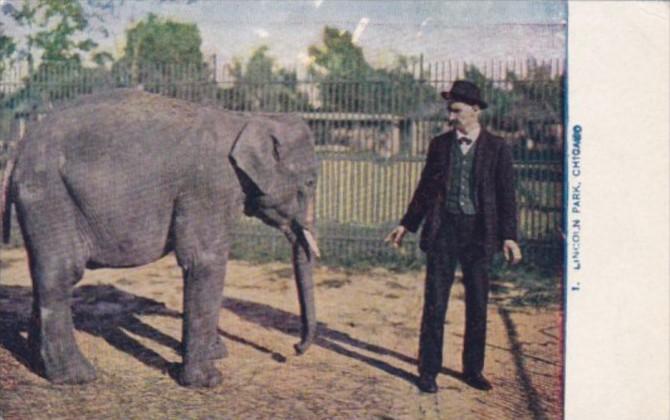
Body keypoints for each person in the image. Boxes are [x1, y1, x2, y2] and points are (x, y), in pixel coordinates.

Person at [385, 80, 522, 393]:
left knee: (477, 305)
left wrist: (509, 237)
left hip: (479, 235)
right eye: (450, 110)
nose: (451, 116)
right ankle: (428, 371)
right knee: (434, 304)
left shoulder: (498, 148)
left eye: (457, 110)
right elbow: (425, 190)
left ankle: (472, 370)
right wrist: (407, 224)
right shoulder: (440, 145)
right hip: (443, 232)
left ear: (475, 110)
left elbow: (506, 197)